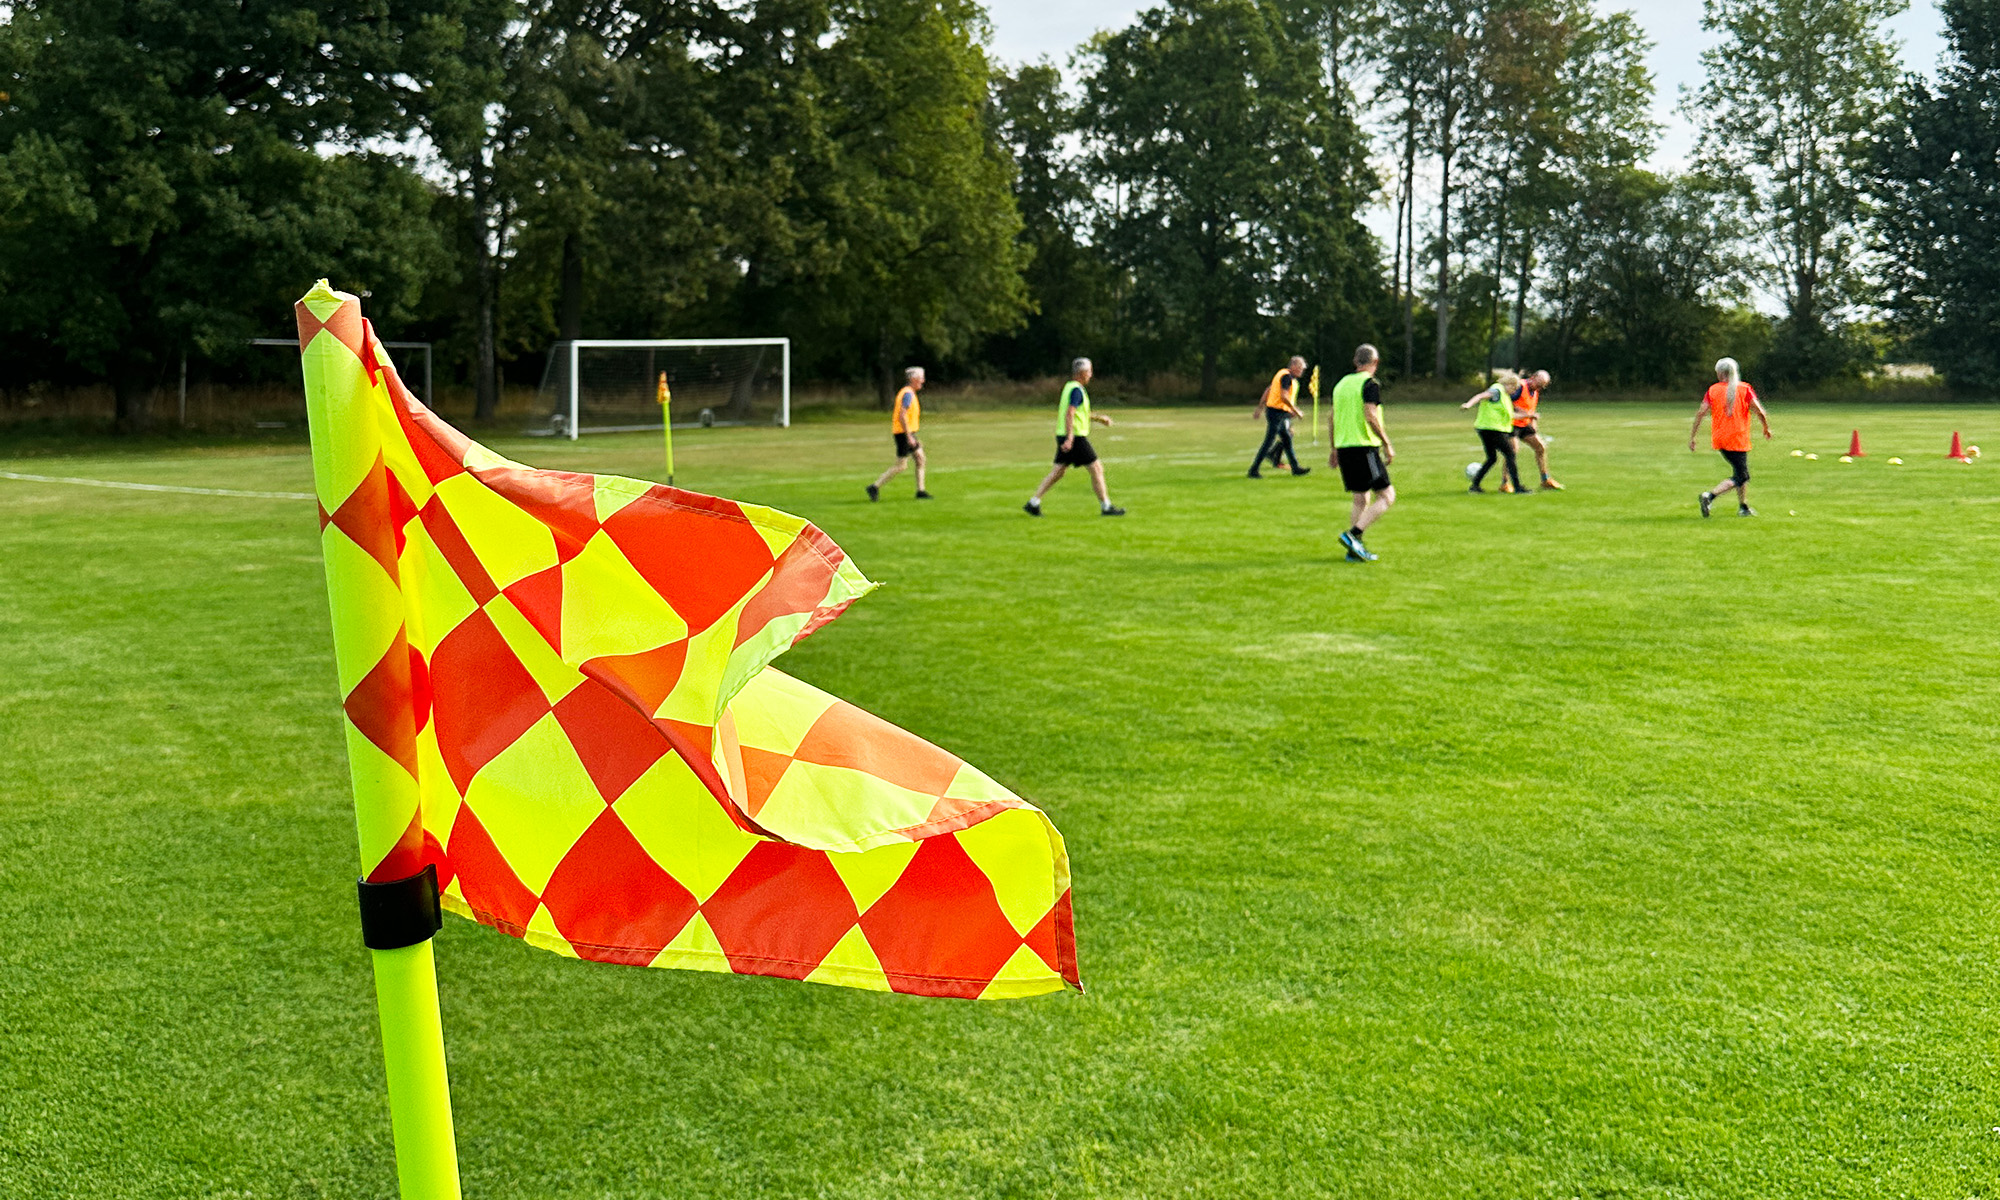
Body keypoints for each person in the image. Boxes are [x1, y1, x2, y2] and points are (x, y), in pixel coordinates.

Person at [1025, 358, 1125, 517]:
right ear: (1083, 373)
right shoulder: (1077, 390)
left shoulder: (1069, 387)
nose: (1091, 375)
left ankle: (1033, 503)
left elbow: (1079, 413)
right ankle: (1106, 507)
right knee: (1097, 468)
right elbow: (1070, 413)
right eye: (1090, 371)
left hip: (1064, 435)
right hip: (1076, 438)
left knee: (1058, 471)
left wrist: (1099, 419)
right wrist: (1070, 438)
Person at [1329, 344, 1393, 562]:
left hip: (1345, 447)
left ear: (1356, 361)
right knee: (1386, 496)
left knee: (1360, 499)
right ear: (1374, 363)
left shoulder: (1341, 385)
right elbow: (1370, 415)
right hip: (1364, 446)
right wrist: (1386, 443)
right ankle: (1353, 535)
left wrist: (1333, 448)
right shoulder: (1370, 384)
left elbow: (1332, 418)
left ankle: (1353, 551)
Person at [1690, 356, 1773, 517]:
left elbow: (1701, 412)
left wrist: (1693, 436)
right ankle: (1710, 496)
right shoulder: (1744, 388)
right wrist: (1766, 428)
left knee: (1740, 471)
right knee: (1742, 476)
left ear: (1720, 373)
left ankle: (1743, 507)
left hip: (1720, 438)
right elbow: (1760, 411)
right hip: (1737, 438)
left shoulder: (1713, 389)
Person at [867, 366, 932, 501]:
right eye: (921, 378)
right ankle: (874, 486)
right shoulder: (907, 394)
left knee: (920, 458)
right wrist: (909, 437)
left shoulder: (909, 393)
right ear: (913, 379)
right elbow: (902, 415)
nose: (923, 381)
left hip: (907, 432)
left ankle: (921, 491)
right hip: (903, 433)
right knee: (901, 465)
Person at [1461, 371, 1525, 494]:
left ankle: (1475, 486)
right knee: (1510, 454)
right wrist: (1468, 405)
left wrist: (1529, 415)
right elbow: (1480, 396)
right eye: (1514, 388)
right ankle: (1517, 487)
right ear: (1510, 384)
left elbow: (1510, 415)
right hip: (1493, 430)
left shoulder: (1504, 397)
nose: (1514, 391)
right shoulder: (1497, 391)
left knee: (1492, 458)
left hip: (1486, 428)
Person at [1248, 356, 1311, 477]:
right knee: (1269, 441)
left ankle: (1295, 468)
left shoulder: (1284, 375)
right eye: (1300, 368)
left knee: (1287, 439)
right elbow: (1284, 396)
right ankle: (1253, 470)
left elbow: (1270, 390)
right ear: (1293, 366)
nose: (1302, 371)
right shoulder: (1286, 377)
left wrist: (1261, 407)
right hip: (1276, 413)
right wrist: (1295, 410)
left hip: (1279, 412)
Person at [1509, 369, 1563, 490]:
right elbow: (1507, 402)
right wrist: (1524, 413)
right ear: (1533, 377)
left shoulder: (1535, 391)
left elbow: (1530, 410)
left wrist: (1533, 425)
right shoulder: (1520, 387)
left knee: (1540, 447)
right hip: (1511, 423)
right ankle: (1505, 483)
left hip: (1524, 424)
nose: (1539, 387)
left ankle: (1545, 480)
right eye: (1538, 384)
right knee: (1512, 451)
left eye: (1542, 386)